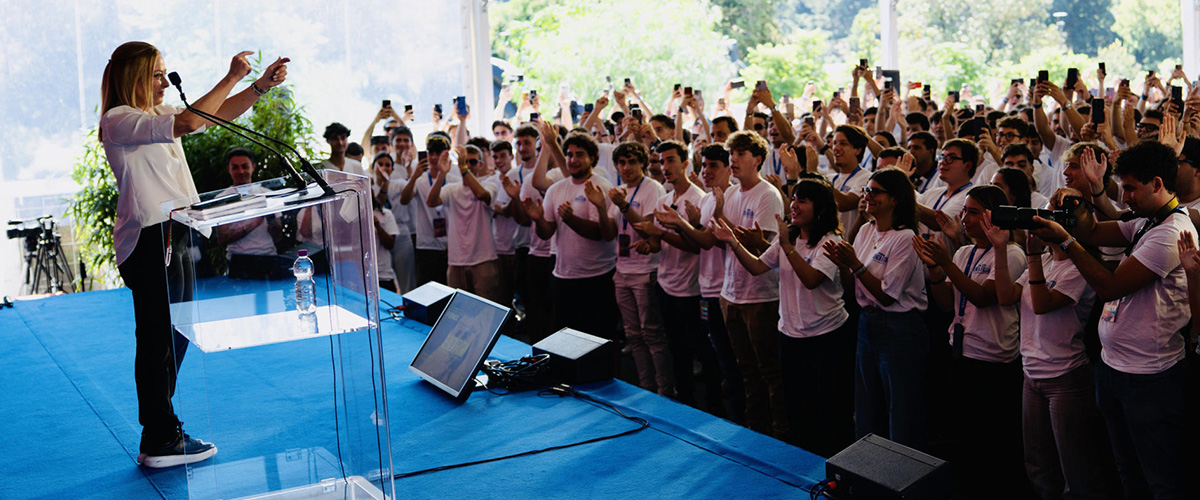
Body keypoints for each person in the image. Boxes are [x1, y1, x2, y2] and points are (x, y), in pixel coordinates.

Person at [100, 41, 288, 468]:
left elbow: (214, 114)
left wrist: (257, 86)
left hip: (178, 231)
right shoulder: (119, 120)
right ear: (133, 78)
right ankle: (159, 436)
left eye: (165, 73)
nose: (164, 82)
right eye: (155, 74)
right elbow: (190, 119)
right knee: (156, 338)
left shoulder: (157, 116)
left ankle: (163, 430)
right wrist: (231, 76)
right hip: (150, 238)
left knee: (175, 334)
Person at [1031, 141, 1192, 499]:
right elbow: (1091, 231)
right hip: (1115, 368)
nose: (1126, 198)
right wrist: (1080, 198)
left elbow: (1109, 285)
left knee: (1160, 477)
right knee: (1126, 469)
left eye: (1131, 189)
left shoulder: (1170, 232)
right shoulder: (1147, 221)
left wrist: (1066, 241)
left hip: (1150, 377)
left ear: (1157, 183)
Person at [715, 178, 854, 456]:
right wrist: (732, 241)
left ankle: (835, 466)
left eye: (802, 200)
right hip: (791, 335)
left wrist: (788, 247)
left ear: (820, 207)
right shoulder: (787, 238)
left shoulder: (830, 241)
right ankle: (804, 462)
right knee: (797, 406)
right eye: (793, 199)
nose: (794, 205)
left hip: (825, 336)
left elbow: (812, 280)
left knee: (828, 408)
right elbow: (756, 267)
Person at [913, 185, 1029, 497]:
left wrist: (946, 263)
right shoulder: (964, 252)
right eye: (964, 211)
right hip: (962, 352)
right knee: (964, 437)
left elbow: (983, 297)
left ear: (994, 215)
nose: (964, 218)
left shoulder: (1012, 254)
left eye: (973, 212)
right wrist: (936, 269)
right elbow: (946, 303)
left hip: (994, 359)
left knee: (993, 440)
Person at [823, 167, 929, 451]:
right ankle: (866, 473)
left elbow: (887, 296)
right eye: (866, 190)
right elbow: (853, 287)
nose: (867, 196)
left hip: (899, 329)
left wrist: (854, 264)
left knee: (901, 410)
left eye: (875, 191)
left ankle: (903, 480)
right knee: (866, 406)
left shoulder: (905, 238)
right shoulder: (866, 230)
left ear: (895, 199)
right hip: (866, 323)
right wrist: (842, 264)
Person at [716, 131, 788, 440]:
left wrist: (728, 228)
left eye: (741, 154)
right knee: (745, 370)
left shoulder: (767, 194)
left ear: (757, 159)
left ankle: (779, 434)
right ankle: (754, 432)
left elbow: (766, 250)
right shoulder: (730, 194)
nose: (733, 159)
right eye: (731, 154)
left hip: (760, 295)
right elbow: (723, 241)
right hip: (731, 293)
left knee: (769, 372)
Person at [523, 131, 619, 341]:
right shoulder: (556, 190)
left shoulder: (601, 187)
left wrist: (570, 219)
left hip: (597, 277)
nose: (573, 160)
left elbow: (602, 234)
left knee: (600, 338)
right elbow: (547, 233)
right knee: (566, 339)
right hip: (563, 276)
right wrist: (538, 219)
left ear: (592, 158)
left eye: (579, 155)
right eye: (569, 155)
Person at [606, 141, 670, 395]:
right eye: (621, 163)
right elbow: (611, 230)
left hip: (646, 270)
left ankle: (664, 389)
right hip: (622, 269)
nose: (626, 167)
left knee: (652, 333)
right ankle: (645, 386)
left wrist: (623, 206)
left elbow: (647, 228)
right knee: (633, 335)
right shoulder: (618, 190)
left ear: (642, 163)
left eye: (632, 161)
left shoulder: (653, 188)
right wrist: (602, 207)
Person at [426, 145, 502, 302]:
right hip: (456, 260)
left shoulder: (490, 185)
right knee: (458, 309)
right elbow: (431, 202)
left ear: (480, 165)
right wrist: (441, 173)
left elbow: (482, 195)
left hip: (483, 259)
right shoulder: (452, 189)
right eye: (465, 161)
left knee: (485, 310)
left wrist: (462, 167)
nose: (467, 165)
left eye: (472, 162)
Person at [213, 148, 285, 279]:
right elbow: (222, 239)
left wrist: (270, 218)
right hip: (238, 260)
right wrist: (253, 223)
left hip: (268, 256)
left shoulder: (267, 194)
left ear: (253, 167)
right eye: (235, 167)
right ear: (228, 169)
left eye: (245, 167)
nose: (240, 171)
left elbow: (278, 236)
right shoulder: (221, 199)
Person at [373, 152, 416, 293]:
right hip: (379, 235)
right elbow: (377, 205)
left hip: (401, 231)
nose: (384, 168)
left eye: (388, 165)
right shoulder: (370, 187)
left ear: (392, 168)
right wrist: (384, 184)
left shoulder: (400, 184)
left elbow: (408, 197)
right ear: (373, 167)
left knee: (406, 276)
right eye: (380, 164)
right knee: (384, 275)